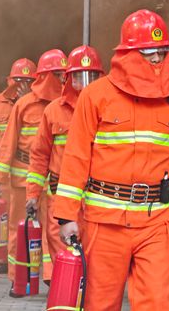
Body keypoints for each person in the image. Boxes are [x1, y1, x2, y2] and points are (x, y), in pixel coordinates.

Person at [53, 10, 169, 311]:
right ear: (128, 54)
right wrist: (66, 216)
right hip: (104, 222)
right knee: (100, 304)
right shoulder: (95, 96)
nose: (157, 60)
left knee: (156, 303)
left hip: (156, 223)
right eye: (150, 54)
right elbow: (75, 158)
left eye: (162, 53)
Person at [0, 49, 68, 294]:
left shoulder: (68, 105)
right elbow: (8, 142)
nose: (63, 79)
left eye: (64, 74)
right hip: (23, 177)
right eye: (58, 74)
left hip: (55, 180)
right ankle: (18, 280)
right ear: (45, 76)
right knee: (19, 230)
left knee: (54, 231)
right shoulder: (23, 105)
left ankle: (52, 277)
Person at [26, 45, 104, 272]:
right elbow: (40, 155)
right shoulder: (53, 111)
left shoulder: (109, 110)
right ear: (69, 79)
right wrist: (33, 194)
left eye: (92, 77)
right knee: (62, 258)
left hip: (98, 200)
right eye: (79, 77)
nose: (86, 84)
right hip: (60, 199)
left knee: (96, 261)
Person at [0, 58, 36, 274]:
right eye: (18, 80)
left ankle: (30, 262)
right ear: (9, 80)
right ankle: (6, 261)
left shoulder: (39, 104)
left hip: (30, 173)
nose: (22, 85)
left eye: (28, 81)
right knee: (6, 219)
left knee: (29, 221)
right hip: (5, 174)